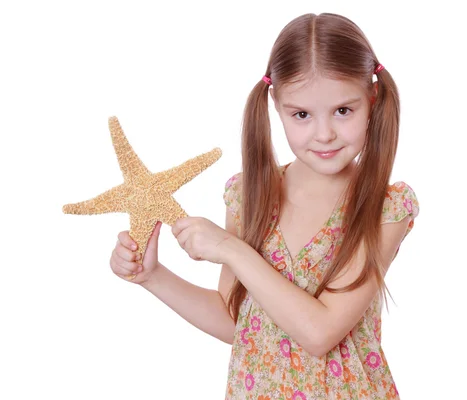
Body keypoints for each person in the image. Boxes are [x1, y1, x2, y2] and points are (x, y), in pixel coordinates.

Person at [109, 12, 420, 399]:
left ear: (371, 99)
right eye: (302, 115)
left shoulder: (384, 209)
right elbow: (235, 321)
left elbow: (319, 332)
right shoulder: (249, 196)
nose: (324, 133)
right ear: (276, 104)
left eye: (343, 110)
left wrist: (229, 248)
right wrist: (152, 276)